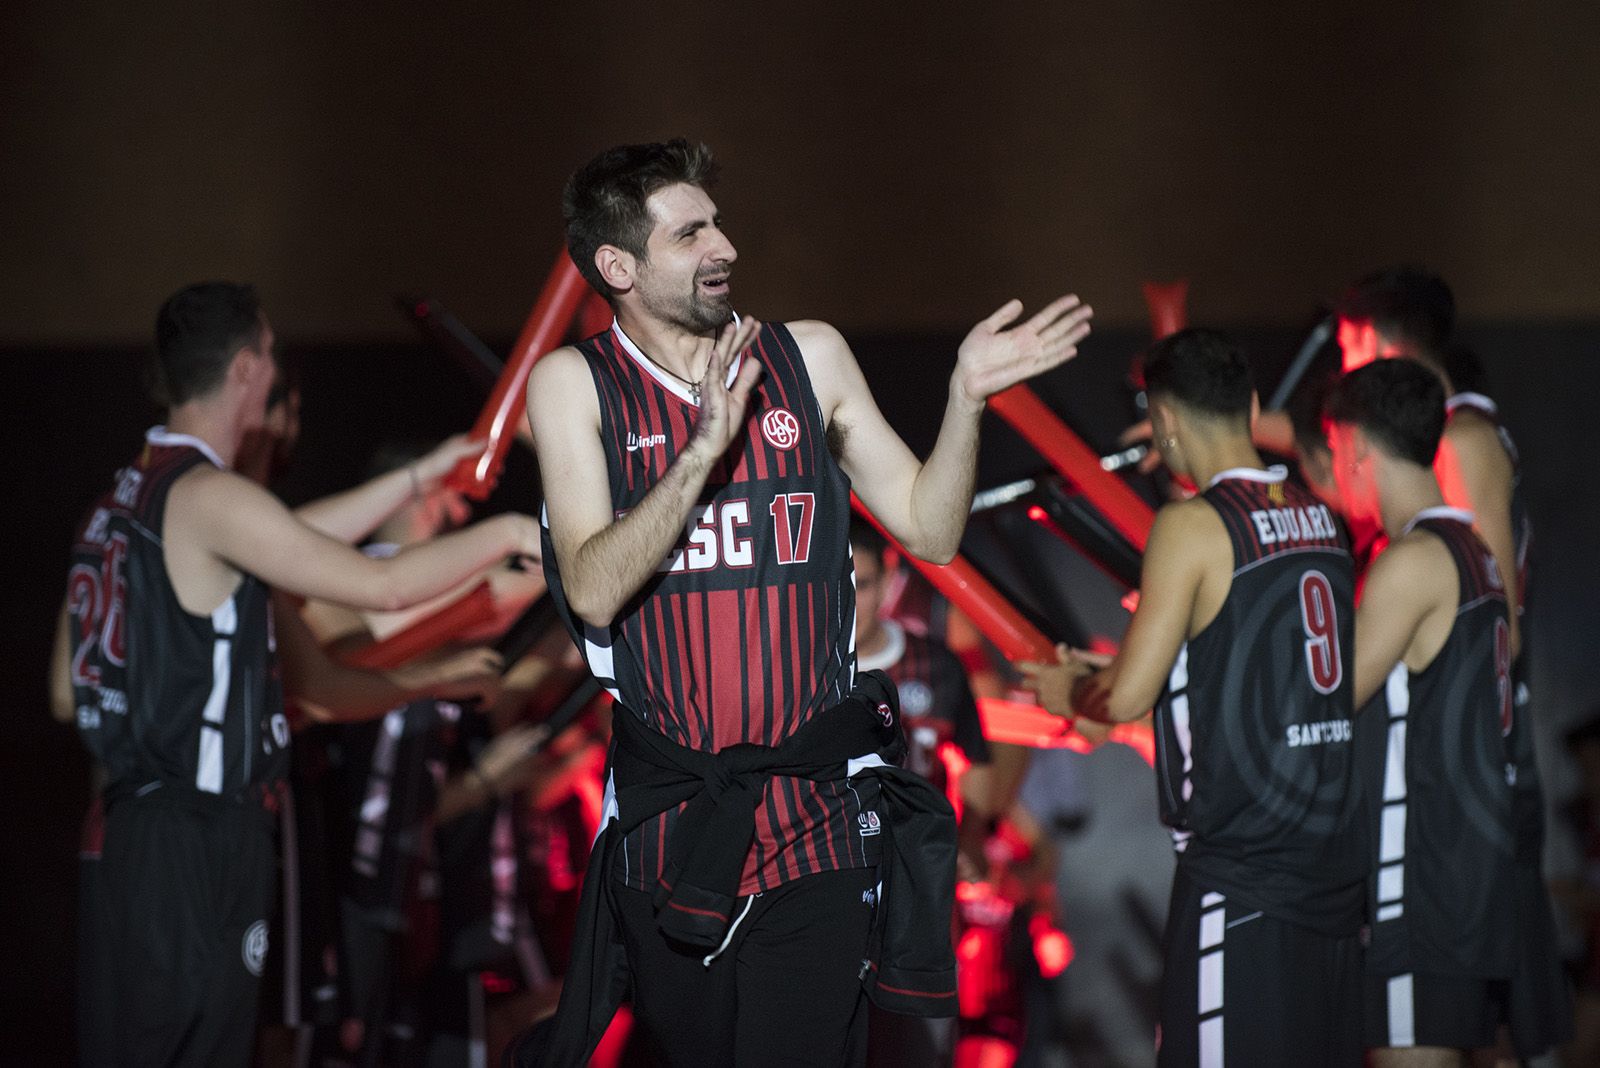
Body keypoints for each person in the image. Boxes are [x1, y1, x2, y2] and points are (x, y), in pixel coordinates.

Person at [524, 139, 1091, 1066]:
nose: (725, 247)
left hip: (817, 818)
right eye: (690, 233)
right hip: (672, 825)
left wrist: (965, 399)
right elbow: (591, 586)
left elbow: (930, 530)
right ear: (618, 267)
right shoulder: (574, 384)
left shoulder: (809, 357)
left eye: (718, 224)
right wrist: (701, 453)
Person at [63, 281, 542, 1067]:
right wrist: (518, 530)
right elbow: (382, 585)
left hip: (123, 832)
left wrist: (418, 478)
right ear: (247, 367)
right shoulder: (211, 495)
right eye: (271, 353)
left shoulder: (118, 501)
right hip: (200, 831)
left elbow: (66, 686)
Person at [1020, 328, 1364, 1066]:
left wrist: (1069, 688)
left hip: (1241, 871)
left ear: (1165, 419)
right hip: (1330, 862)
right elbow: (1246, 660)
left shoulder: (1193, 522)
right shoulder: (1321, 516)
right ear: (1250, 405)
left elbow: (1127, 697)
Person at [1333, 268, 1569, 1061]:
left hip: (1442, 831)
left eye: (1346, 348)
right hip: (1468, 816)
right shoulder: (1459, 535)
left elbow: (1328, 698)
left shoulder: (1447, 488)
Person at [1322, 358, 1519, 1062]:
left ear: (1356, 448)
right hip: (1461, 870)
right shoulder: (1474, 550)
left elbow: (1326, 704)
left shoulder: (1414, 560)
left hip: (1420, 885)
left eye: (1335, 453)